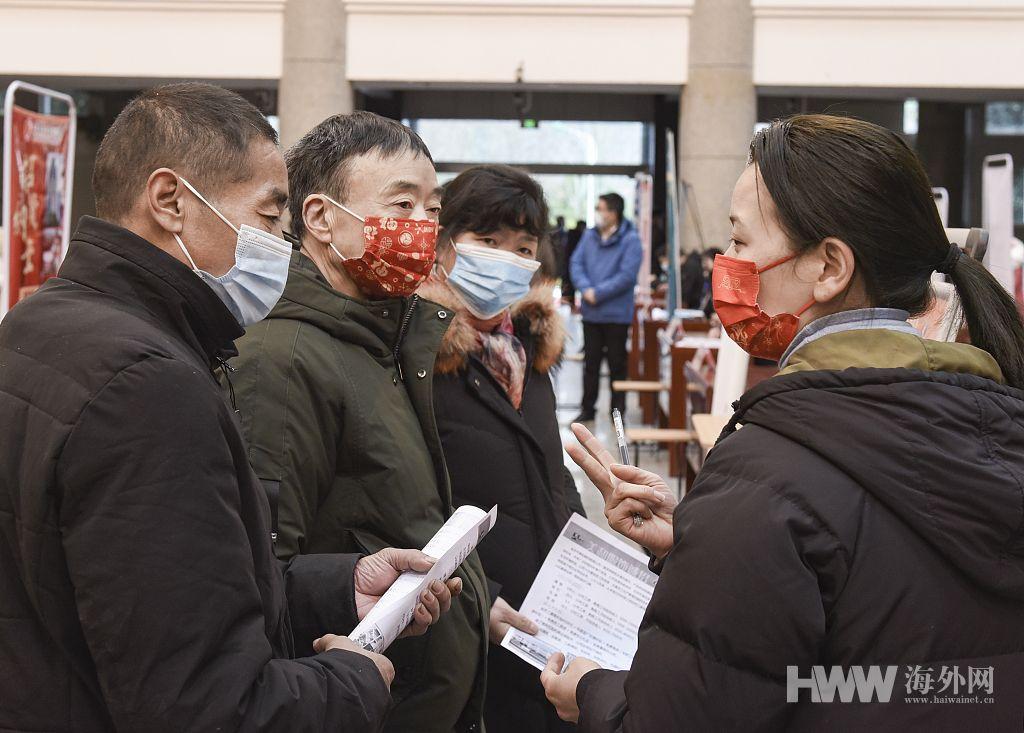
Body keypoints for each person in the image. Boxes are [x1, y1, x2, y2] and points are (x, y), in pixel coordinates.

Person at [0, 83, 460, 733]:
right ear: (170, 202)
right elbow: (204, 702)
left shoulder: (37, 322)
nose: (280, 242)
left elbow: (157, 590)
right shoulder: (147, 385)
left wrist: (339, 586)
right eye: (271, 217)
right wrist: (352, 681)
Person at [541, 114, 1024, 730]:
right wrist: (702, 546)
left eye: (741, 242)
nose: (725, 264)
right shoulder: (992, 416)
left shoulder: (771, 469)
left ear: (829, 268)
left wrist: (593, 693)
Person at [229, 111, 489, 733]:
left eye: (433, 209)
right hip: (357, 704)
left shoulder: (384, 336)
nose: (423, 228)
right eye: (402, 204)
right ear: (319, 218)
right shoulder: (283, 359)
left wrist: (479, 605)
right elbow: (263, 573)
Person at [417, 164, 586, 733]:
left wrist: (587, 555)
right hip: (464, 621)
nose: (505, 259)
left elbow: (549, 472)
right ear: (444, 246)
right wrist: (477, 598)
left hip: (546, 625)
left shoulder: (529, 354)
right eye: (486, 242)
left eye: (522, 247)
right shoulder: (416, 357)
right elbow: (402, 499)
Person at [570, 193, 643, 422]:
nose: (598, 213)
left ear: (613, 213)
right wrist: (585, 288)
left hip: (616, 315)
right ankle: (587, 408)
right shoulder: (589, 236)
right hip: (591, 314)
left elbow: (627, 276)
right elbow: (575, 263)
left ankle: (617, 412)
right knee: (590, 364)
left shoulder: (630, 240)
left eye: (600, 208)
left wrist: (597, 293)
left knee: (616, 365)